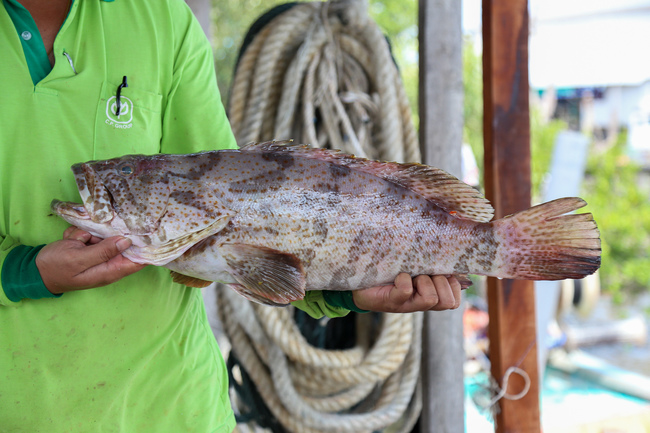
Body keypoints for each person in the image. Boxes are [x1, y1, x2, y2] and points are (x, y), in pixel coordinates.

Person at [0, 0, 462, 431]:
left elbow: (254, 220)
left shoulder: (162, 18)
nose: (96, 182)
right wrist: (22, 274)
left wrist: (354, 295)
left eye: (125, 184)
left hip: (177, 409)